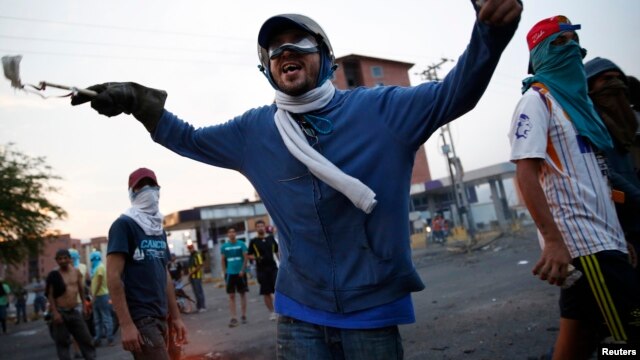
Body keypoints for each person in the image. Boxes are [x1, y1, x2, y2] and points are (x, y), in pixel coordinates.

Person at [71, 2, 522, 357]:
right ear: (267, 68)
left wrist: (491, 31)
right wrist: (136, 102)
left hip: (371, 312)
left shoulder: (382, 111)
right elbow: (187, 137)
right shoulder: (255, 131)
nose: (285, 51)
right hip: (298, 314)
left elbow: (455, 93)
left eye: (298, 42)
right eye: (274, 49)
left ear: (324, 56)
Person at [509, 15, 640, 358]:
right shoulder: (537, 102)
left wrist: (618, 236)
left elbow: (594, 179)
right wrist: (552, 241)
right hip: (585, 247)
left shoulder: (579, 110)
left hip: (605, 242)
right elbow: (526, 175)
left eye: (574, 43)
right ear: (541, 56)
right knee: (628, 342)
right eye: (560, 44)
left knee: (579, 341)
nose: (572, 51)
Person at [106, 167, 187, 359]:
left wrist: (176, 317)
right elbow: (113, 276)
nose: (148, 190)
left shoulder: (158, 229)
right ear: (132, 193)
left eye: (152, 185)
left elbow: (164, 273)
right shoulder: (124, 225)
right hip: (142, 319)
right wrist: (126, 325)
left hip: (162, 315)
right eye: (141, 186)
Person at [584, 57, 640, 276]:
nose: (614, 84)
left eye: (618, 79)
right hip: (616, 227)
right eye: (606, 80)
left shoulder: (627, 121)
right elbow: (605, 174)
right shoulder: (587, 124)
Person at [45, 249, 96, 360]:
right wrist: (55, 313)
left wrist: (84, 305)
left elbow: (81, 290)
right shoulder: (54, 275)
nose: (63, 260)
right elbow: (50, 295)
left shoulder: (76, 272)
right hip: (60, 312)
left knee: (86, 338)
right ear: (56, 260)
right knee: (63, 343)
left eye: (65, 258)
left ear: (69, 259)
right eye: (60, 259)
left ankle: (91, 357)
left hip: (74, 311)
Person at [248, 220, 279, 321]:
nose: (260, 228)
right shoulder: (253, 241)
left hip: (273, 267)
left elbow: (277, 251)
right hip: (261, 269)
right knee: (266, 292)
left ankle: (280, 310)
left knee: (278, 289)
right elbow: (249, 255)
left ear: (264, 227)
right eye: (258, 226)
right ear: (256, 228)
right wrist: (256, 258)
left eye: (262, 226)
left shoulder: (270, 238)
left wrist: (282, 263)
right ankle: (272, 312)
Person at [220, 227, 248, 328]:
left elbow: (245, 257)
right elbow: (222, 260)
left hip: (240, 273)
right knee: (231, 295)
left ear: (236, 234)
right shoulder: (224, 246)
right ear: (227, 235)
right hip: (230, 273)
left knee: (242, 293)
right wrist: (224, 272)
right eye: (229, 232)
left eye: (233, 232)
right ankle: (233, 317)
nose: (231, 234)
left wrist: (243, 270)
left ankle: (244, 315)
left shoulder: (241, 244)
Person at [89, 250, 114, 347]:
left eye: (92, 259)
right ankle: (98, 339)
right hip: (97, 296)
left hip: (101, 295)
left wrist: (94, 295)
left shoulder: (99, 267)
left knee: (105, 318)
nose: (91, 261)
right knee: (97, 319)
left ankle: (110, 338)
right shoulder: (97, 268)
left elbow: (99, 282)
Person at [186, 244, 206, 313]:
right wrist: (190, 275)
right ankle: (199, 306)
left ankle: (202, 306)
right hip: (192, 277)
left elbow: (200, 265)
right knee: (195, 292)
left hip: (197, 276)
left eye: (191, 248)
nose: (190, 250)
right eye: (189, 249)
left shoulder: (197, 255)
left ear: (193, 248)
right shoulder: (191, 256)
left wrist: (191, 273)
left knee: (199, 292)